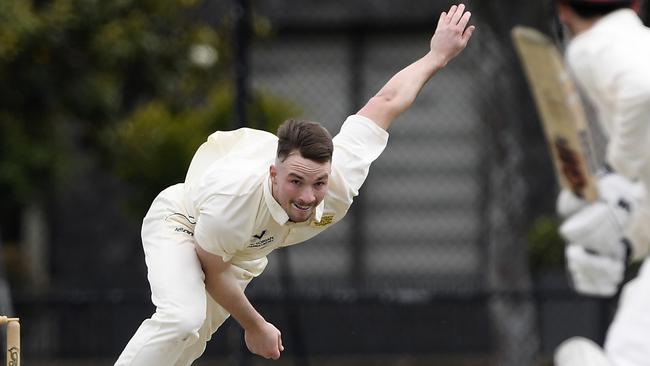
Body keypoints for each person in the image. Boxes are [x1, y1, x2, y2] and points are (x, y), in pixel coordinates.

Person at [115, 4, 475, 365]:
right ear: (274, 173)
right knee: (182, 318)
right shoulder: (237, 196)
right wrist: (255, 326)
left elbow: (386, 101)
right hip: (186, 223)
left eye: (318, 182)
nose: (307, 197)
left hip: (242, 251)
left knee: (190, 341)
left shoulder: (341, 177)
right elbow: (212, 267)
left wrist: (436, 56)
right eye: (295, 182)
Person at [550, 1, 650, 365]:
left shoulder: (592, 46)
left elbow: (643, 87)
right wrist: (627, 241)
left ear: (563, 11)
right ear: (637, 4)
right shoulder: (640, 40)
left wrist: (619, 169)